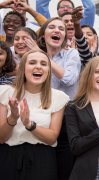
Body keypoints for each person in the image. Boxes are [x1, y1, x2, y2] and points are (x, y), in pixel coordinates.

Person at [0, 49, 69, 180]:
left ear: (48, 71)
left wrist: (29, 124)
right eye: (32, 62)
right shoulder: (4, 92)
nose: (38, 66)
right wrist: (13, 118)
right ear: (23, 68)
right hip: (8, 158)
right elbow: (1, 138)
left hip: (42, 160)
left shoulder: (58, 97)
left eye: (44, 64)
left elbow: (52, 138)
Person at [37, 17, 81, 99]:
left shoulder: (72, 53)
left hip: (67, 109)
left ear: (64, 37)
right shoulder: (37, 57)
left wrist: (44, 58)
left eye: (61, 29)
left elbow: (69, 80)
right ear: (43, 35)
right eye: (51, 27)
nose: (57, 31)